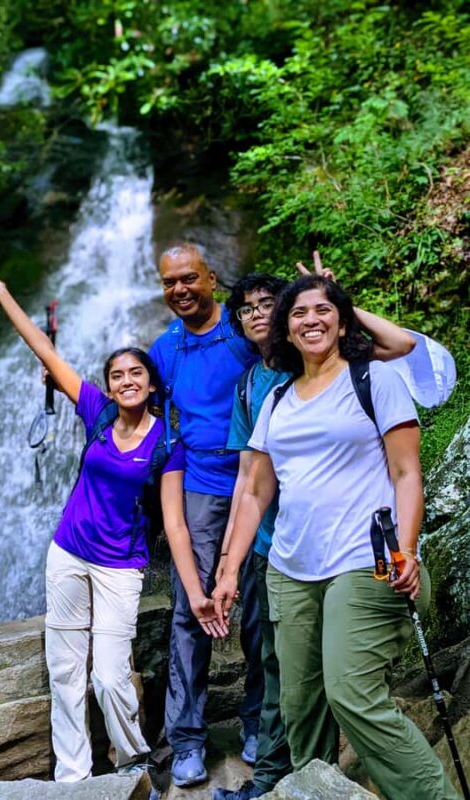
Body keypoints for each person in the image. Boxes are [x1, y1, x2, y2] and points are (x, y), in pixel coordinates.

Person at [213, 273, 459, 800]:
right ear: (285, 328)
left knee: (350, 691)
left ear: (342, 319)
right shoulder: (275, 398)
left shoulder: (374, 379)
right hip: (290, 569)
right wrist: (230, 570)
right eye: (298, 313)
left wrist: (408, 549)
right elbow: (255, 492)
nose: (311, 320)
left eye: (323, 309)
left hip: (366, 560)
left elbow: (406, 474)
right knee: (299, 709)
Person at [0, 279, 216, 795]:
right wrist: (5, 295)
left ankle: (131, 762)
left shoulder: (168, 445)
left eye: (136, 374)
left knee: (107, 676)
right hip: (66, 554)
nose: (127, 381)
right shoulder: (95, 413)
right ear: (107, 387)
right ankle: (73, 777)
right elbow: (42, 348)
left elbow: (173, 523)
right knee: (64, 673)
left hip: (120, 567)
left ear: (151, 385)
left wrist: (195, 592)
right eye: (117, 375)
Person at [148, 243, 262, 787]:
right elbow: (142, 410)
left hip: (260, 482)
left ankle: (260, 723)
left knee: (261, 607)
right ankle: (187, 739)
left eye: (189, 278)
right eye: (170, 282)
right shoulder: (164, 348)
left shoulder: (245, 335)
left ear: (212, 278)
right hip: (198, 485)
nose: (180, 290)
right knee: (188, 613)